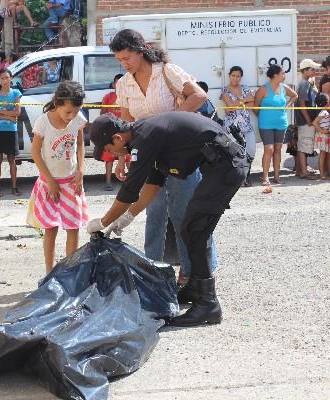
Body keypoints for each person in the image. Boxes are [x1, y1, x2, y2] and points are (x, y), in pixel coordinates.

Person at [86, 112, 250, 327]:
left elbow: (130, 190)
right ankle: (196, 288)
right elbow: (153, 183)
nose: (110, 154)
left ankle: (208, 304)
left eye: (108, 149)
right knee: (192, 229)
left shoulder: (143, 138)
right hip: (219, 166)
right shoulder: (144, 134)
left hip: (227, 167)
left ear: (117, 138)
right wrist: (127, 217)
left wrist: (104, 221)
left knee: (195, 229)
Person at [109, 28, 216, 289]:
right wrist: (124, 158)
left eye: (127, 58)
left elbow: (200, 96)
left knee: (183, 217)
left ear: (140, 50)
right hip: (150, 158)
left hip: (181, 157)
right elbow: (128, 125)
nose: (125, 64)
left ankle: (192, 276)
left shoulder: (167, 71)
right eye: (120, 61)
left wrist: (173, 118)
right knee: (154, 217)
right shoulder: (124, 83)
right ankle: (153, 274)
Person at [26, 81, 88, 273]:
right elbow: (35, 153)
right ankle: (49, 273)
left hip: (72, 183)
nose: (71, 116)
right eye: (67, 111)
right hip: (49, 184)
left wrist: (81, 171)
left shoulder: (78, 119)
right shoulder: (43, 122)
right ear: (57, 103)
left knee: (73, 228)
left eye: (75, 111)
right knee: (50, 229)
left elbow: (79, 145)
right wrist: (51, 181)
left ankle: (70, 273)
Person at [254, 64, 298, 185]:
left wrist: (288, 106)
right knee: (269, 149)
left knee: (278, 149)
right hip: (265, 124)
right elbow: (255, 107)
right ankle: (265, 177)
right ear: (275, 75)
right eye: (282, 73)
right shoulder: (263, 89)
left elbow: (295, 95)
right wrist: (263, 117)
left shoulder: (284, 87)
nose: (284, 75)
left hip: (281, 123)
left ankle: (277, 176)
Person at [0, 69, 22, 197]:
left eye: (7, 78)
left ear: (11, 79)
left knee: (12, 160)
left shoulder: (16, 93)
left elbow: (17, 113)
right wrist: (8, 117)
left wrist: (0, 113)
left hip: (11, 131)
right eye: (2, 78)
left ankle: (14, 187)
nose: (4, 80)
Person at [220, 65, 255, 186]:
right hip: (231, 128)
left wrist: (235, 104)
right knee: (234, 153)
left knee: (251, 151)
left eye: (238, 76)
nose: (235, 78)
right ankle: (236, 178)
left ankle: (246, 176)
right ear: (229, 76)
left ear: (241, 77)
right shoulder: (225, 90)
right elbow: (230, 106)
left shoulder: (245, 88)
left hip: (246, 125)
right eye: (233, 76)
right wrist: (245, 100)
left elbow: (251, 105)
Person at [100, 73, 129, 190]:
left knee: (128, 157)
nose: (119, 85)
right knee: (109, 158)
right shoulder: (108, 97)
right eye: (117, 83)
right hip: (111, 132)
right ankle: (108, 182)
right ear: (113, 84)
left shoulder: (129, 97)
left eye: (122, 83)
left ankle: (131, 181)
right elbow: (102, 113)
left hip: (125, 131)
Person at [295, 59, 322, 180]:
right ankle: (304, 172)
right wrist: (308, 120)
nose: (314, 71)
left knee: (305, 145)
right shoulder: (304, 83)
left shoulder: (308, 82)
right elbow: (301, 104)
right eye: (312, 69)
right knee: (304, 146)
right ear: (305, 70)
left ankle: (303, 170)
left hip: (307, 119)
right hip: (305, 120)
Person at [312, 93, 330, 180]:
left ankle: (326, 172)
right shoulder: (323, 112)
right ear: (326, 102)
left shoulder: (325, 111)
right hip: (323, 135)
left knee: (326, 154)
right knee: (323, 154)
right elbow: (314, 123)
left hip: (325, 135)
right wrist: (322, 131)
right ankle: (321, 174)